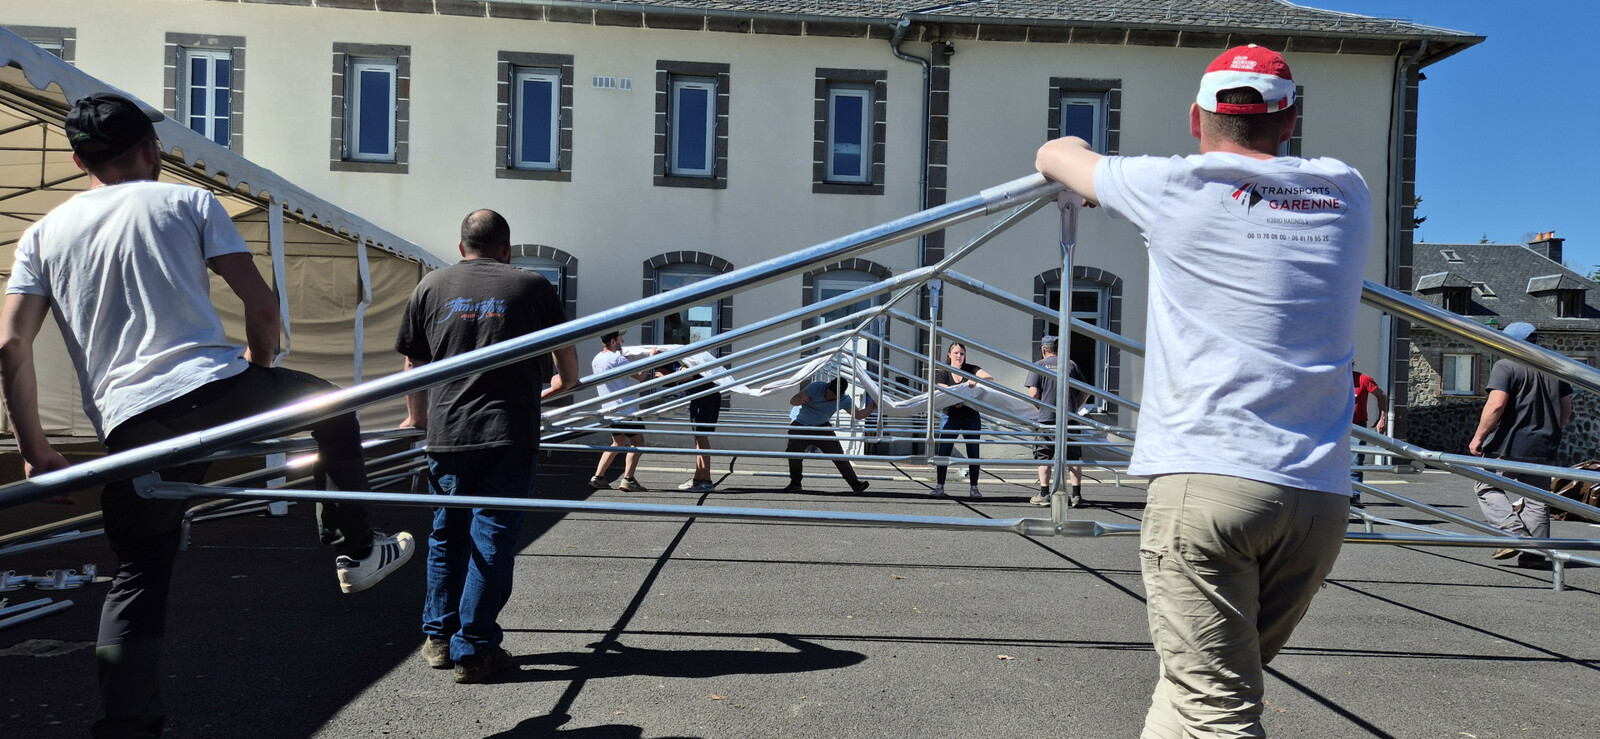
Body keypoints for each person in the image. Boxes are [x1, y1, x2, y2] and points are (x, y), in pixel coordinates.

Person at [0, 93, 414, 738]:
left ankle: (127, 728)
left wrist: (35, 447)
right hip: (215, 387)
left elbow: (11, 344)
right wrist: (261, 366)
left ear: (79, 160)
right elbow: (263, 307)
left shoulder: (42, 234)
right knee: (333, 409)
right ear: (151, 150)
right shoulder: (188, 202)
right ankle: (357, 550)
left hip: (131, 423)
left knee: (137, 574)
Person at [1036, 44, 1370, 737]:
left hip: (1209, 484)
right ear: (1291, 120)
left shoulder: (1173, 185)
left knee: (1216, 709)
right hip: (1318, 495)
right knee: (1193, 686)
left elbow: (1057, 153)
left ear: (1197, 119)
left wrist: (1086, 170)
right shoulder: (1347, 189)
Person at [396, 209, 578, 684]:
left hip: (448, 431)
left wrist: (417, 417)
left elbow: (414, 363)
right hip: (510, 430)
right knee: (492, 537)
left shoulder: (430, 286)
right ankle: (474, 648)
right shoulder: (533, 285)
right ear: (507, 249)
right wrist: (559, 385)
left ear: (462, 247)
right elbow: (567, 356)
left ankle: (439, 638)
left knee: (447, 534)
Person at [1468, 322, 1572, 570]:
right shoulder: (1554, 367)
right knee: (1536, 499)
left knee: (1486, 485)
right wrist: (1551, 430)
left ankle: (1513, 533)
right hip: (1545, 444)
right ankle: (1535, 554)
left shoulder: (1506, 365)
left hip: (1510, 443)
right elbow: (1567, 409)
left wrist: (1478, 436)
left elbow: (1496, 405)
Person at [589, 331, 659, 492]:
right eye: (620, 339)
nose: (623, 340)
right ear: (613, 341)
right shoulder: (619, 359)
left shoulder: (596, 359)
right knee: (638, 443)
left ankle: (598, 477)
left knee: (618, 443)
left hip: (609, 410)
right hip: (626, 411)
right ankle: (628, 479)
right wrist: (652, 358)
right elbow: (640, 377)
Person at [1025, 335, 1087, 507]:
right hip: (1069, 419)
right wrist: (1074, 408)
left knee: (1044, 456)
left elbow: (1033, 394)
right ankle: (1076, 495)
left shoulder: (1038, 365)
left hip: (1047, 420)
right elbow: (1086, 391)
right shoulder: (1071, 365)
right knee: (1073, 457)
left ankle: (1044, 494)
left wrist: (1043, 408)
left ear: (1043, 350)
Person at [784, 377, 875, 493]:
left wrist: (872, 407)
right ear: (828, 385)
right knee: (794, 454)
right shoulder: (816, 387)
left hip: (822, 426)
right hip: (801, 424)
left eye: (835, 396)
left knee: (838, 455)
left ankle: (855, 484)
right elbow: (793, 401)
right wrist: (798, 400)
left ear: (841, 395)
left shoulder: (844, 399)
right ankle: (795, 483)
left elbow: (858, 415)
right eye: (830, 393)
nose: (830, 397)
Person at [931, 342, 994, 498]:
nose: (959, 356)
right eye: (956, 353)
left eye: (962, 353)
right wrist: (956, 397)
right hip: (950, 415)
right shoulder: (944, 372)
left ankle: (974, 487)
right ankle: (939, 486)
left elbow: (989, 378)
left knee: (973, 451)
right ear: (949, 354)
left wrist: (976, 381)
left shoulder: (971, 369)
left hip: (970, 416)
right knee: (944, 451)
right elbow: (942, 388)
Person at [663, 360, 723, 493]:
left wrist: (668, 377)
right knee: (698, 438)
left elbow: (688, 374)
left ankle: (706, 481)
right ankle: (698, 478)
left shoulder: (678, 362)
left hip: (705, 397)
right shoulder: (680, 362)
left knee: (701, 438)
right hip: (702, 397)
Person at [1349, 366, 1390, 504]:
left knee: (1355, 461)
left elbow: (1381, 395)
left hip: (1357, 427)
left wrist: (1382, 418)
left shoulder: (1363, 379)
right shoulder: (1334, 380)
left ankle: (1354, 495)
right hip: (1337, 426)